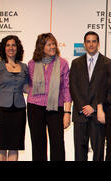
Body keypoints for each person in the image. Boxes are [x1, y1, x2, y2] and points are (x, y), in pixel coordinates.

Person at [27, 33, 72, 161]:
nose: (53, 47)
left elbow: (66, 88)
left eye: (54, 44)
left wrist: (67, 112)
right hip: (34, 107)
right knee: (38, 144)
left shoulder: (63, 63)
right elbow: (28, 84)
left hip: (55, 108)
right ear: (41, 47)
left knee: (57, 144)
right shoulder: (31, 64)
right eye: (49, 44)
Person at [69, 31, 111, 161]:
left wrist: (93, 107)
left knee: (98, 151)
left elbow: (108, 89)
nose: (91, 44)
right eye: (88, 41)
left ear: (98, 44)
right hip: (80, 114)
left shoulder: (108, 63)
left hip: (98, 114)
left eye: (94, 41)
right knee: (79, 151)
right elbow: (73, 87)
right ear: (84, 44)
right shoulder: (76, 63)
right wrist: (83, 106)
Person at [0, 35, 28, 161]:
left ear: (18, 48)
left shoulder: (24, 67)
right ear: (4, 48)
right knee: (0, 146)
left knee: (14, 146)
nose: (11, 48)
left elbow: (26, 88)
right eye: (8, 45)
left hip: (19, 111)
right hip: (0, 110)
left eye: (14, 45)